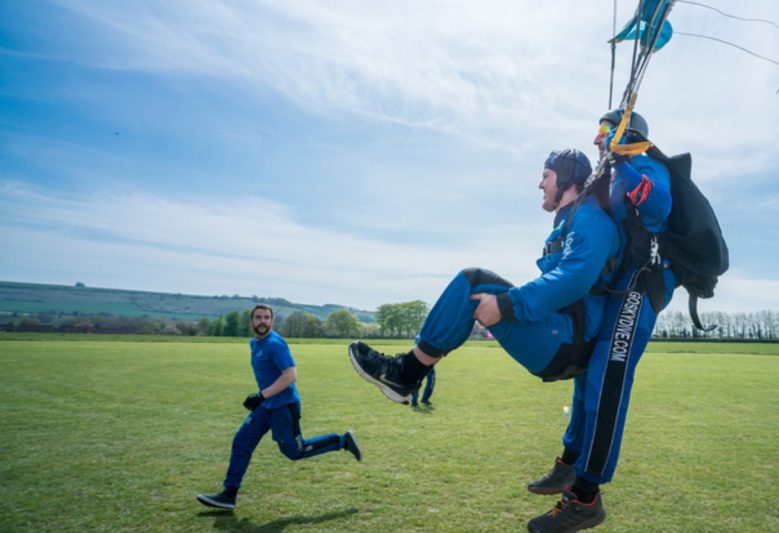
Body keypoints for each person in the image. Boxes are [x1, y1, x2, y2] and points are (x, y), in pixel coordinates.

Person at [348, 148, 621, 530]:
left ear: (568, 178)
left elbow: (574, 279)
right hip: (561, 334)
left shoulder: (590, 217)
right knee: (476, 290)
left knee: (473, 281)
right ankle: (407, 372)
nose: (540, 183)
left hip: (568, 340)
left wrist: (508, 305)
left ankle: (406, 372)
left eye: (546, 174)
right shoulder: (571, 219)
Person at [524, 109, 677, 533]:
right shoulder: (610, 175)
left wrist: (623, 158)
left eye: (605, 132)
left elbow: (657, 207)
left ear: (627, 135)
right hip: (615, 286)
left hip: (644, 282)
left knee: (609, 373)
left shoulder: (645, 164)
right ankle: (571, 462)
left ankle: (586, 497)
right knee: (587, 367)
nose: (597, 139)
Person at [197, 304, 362, 510]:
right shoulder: (255, 343)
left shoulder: (275, 344)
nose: (263, 321)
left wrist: (260, 395)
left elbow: (291, 375)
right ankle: (229, 495)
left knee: (295, 451)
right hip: (266, 406)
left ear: (272, 321)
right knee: (241, 443)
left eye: (267, 318)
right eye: (258, 317)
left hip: (284, 407)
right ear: (251, 321)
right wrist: (263, 398)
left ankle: (342, 441)